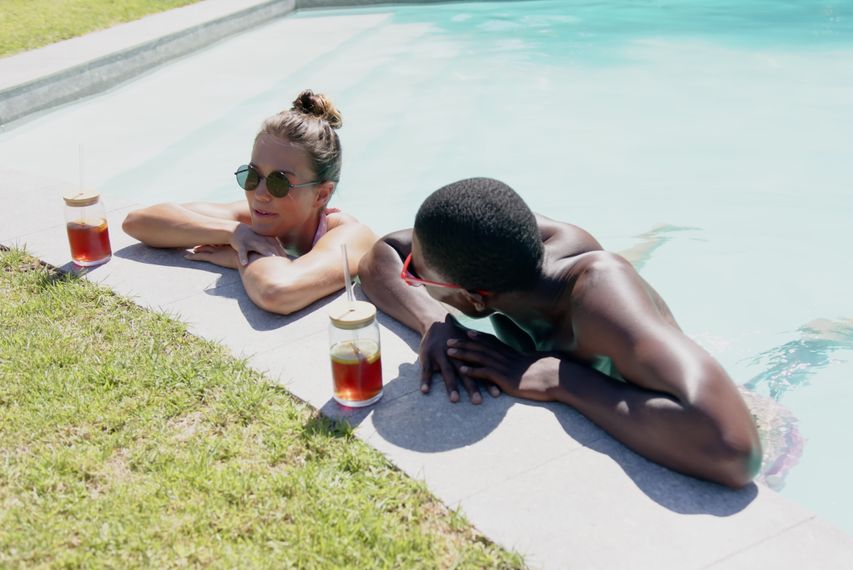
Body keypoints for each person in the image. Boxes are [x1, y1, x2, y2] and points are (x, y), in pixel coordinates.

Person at [358, 177, 761, 488]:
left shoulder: (600, 298)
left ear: (475, 299)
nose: (411, 276)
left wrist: (559, 378)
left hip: (746, 424)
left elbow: (735, 451)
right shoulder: (508, 247)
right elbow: (381, 254)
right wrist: (435, 321)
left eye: (417, 274)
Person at [123, 90, 377, 315]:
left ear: (321, 195)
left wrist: (240, 256)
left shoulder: (350, 234)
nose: (260, 194)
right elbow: (137, 222)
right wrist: (234, 233)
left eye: (279, 183)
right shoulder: (252, 216)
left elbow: (277, 292)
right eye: (253, 176)